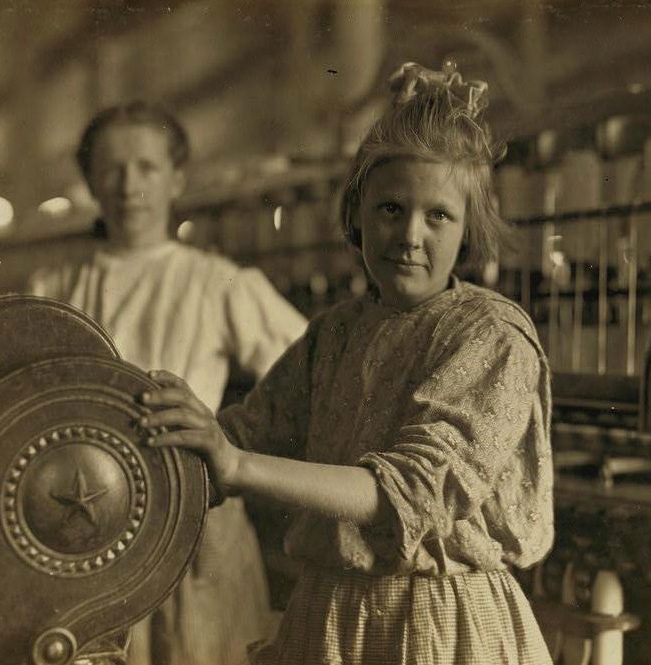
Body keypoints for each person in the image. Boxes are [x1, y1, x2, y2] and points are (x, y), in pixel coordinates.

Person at [134, 61, 554, 665]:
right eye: (390, 209)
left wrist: (235, 463)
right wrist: (175, 435)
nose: (410, 235)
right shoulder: (335, 333)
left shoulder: (490, 334)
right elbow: (248, 432)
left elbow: (409, 493)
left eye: (438, 215)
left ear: (469, 232)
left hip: (439, 626)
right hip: (327, 619)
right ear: (356, 215)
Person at [30, 101, 307, 665]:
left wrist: (229, 440)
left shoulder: (217, 282)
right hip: (80, 525)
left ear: (177, 178)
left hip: (195, 522)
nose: (129, 185)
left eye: (147, 167)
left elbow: (314, 377)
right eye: (111, 169)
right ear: (90, 182)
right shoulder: (52, 287)